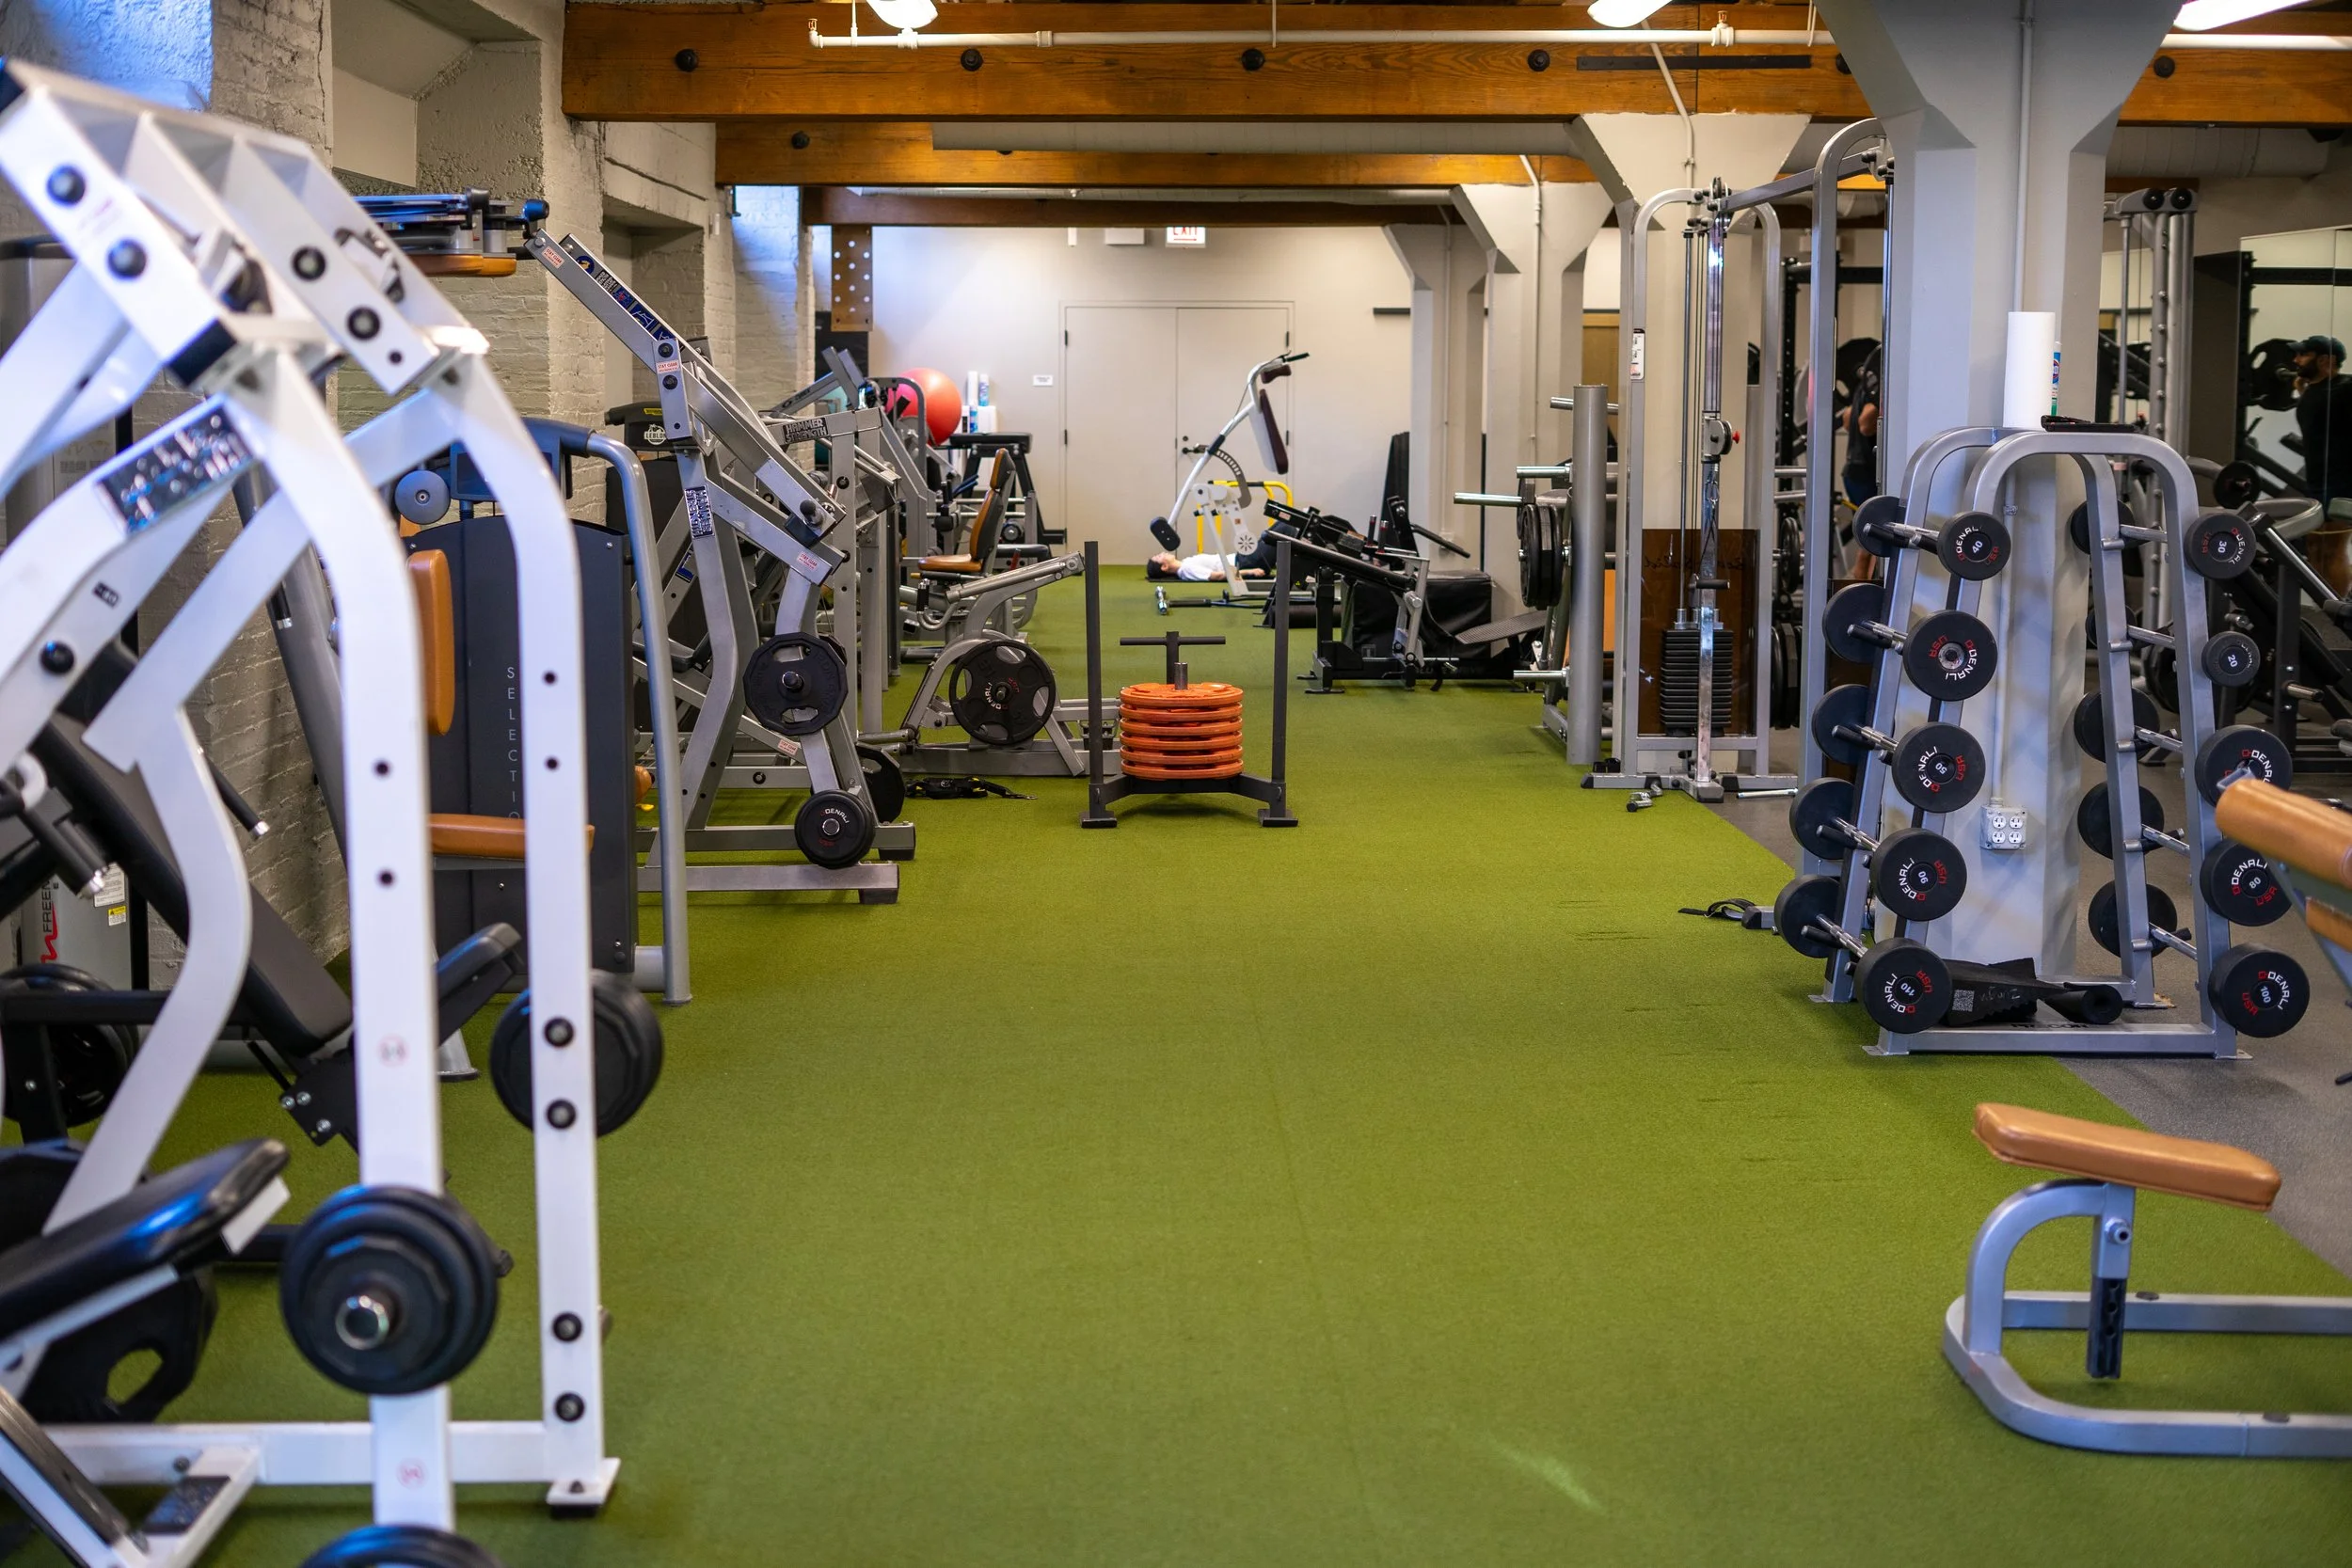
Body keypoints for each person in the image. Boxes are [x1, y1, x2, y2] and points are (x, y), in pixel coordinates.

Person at [2293, 334, 2352, 506]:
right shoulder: (2314, 390)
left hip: (2341, 485)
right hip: (2316, 480)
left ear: (2325, 360)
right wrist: (2302, 390)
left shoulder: (2346, 388)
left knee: (2334, 532)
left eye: (2303, 355)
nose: (2296, 360)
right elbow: (2322, 414)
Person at [1838, 340, 1883, 506]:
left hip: (1853, 473)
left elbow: (1848, 421)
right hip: (1865, 475)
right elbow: (1864, 426)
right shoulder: (1877, 391)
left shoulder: (1864, 387)